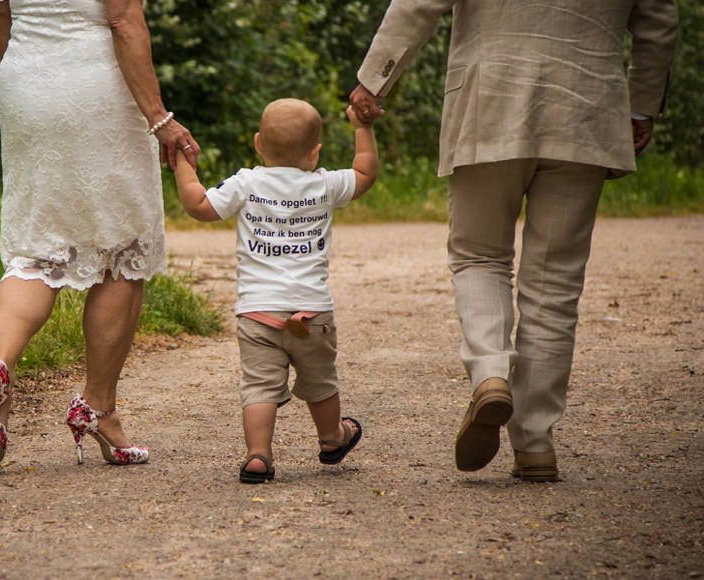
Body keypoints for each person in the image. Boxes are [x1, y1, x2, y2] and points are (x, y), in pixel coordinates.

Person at [351, 0, 677, 481]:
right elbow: (659, 24)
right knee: (554, 283)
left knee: (479, 256)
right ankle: (536, 441)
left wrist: (374, 80)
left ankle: (490, 375)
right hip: (588, 108)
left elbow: (419, 3)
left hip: (489, 99)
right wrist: (641, 105)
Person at [0, 0, 200, 466]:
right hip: (98, 84)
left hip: (25, 80)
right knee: (125, 250)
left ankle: (0, 367)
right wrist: (160, 119)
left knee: (35, 252)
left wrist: (25, 70)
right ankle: (98, 408)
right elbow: (122, 20)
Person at [173, 99, 378, 483]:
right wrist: (362, 128)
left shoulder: (246, 183)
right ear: (315, 151)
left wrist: (183, 164)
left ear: (257, 144)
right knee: (321, 382)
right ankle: (332, 437)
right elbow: (365, 173)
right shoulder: (324, 184)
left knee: (259, 388)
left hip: (258, 313)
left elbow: (199, 204)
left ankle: (257, 455)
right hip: (312, 314)